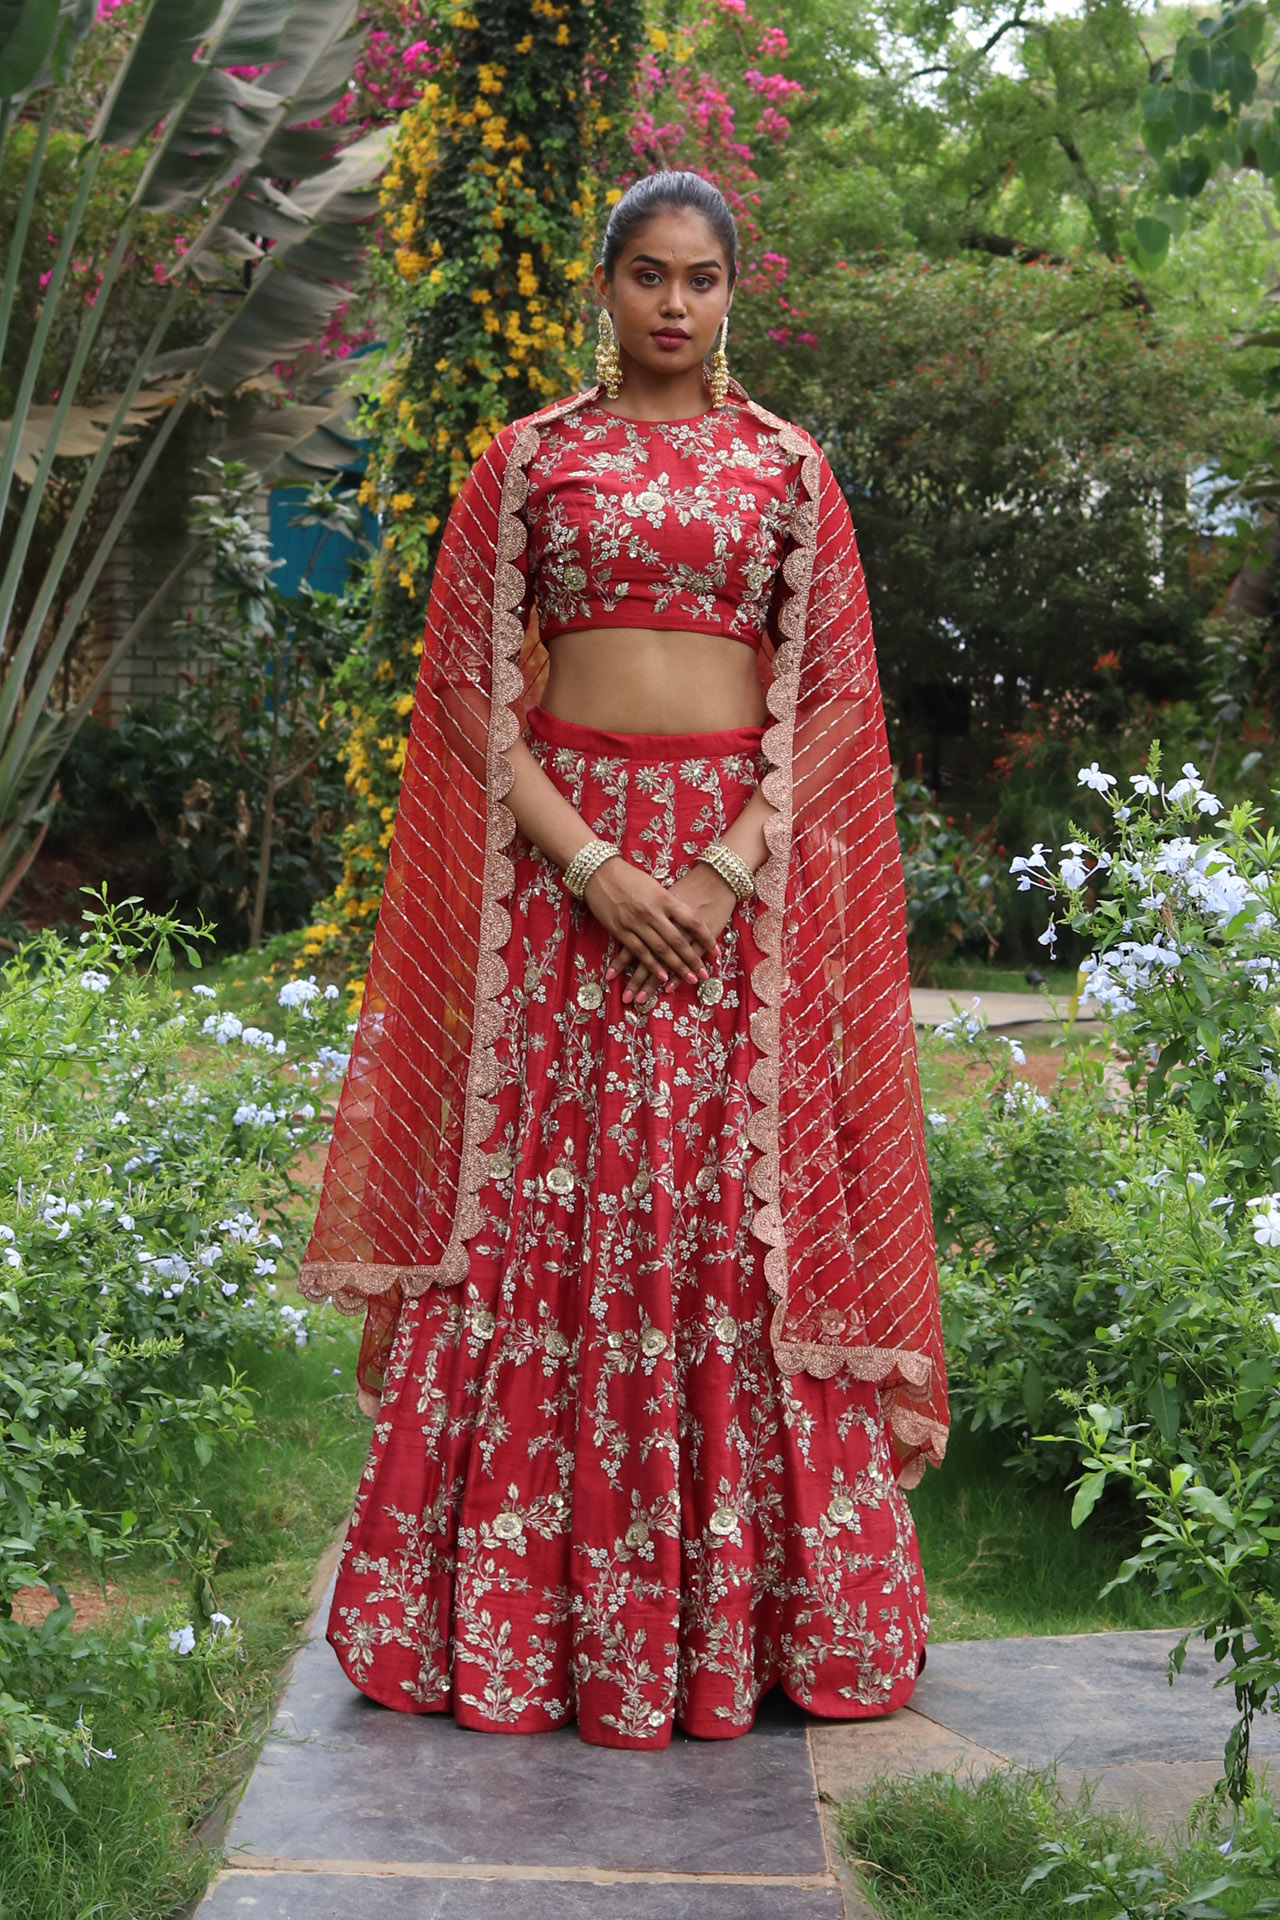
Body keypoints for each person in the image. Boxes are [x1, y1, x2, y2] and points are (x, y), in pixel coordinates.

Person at [298, 170, 948, 1750]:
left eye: (703, 278)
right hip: (558, 889)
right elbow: (466, 691)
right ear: (603, 286)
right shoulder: (531, 461)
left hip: (741, 907)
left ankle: (748, 1630)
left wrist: (724, 869)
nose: (674, 305)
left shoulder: (790, 472)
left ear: (736, 292)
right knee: (543, 1210)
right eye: (648, 275)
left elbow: (835, 708)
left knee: (729, 1218)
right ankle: (516, 1628)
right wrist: (589, 860)